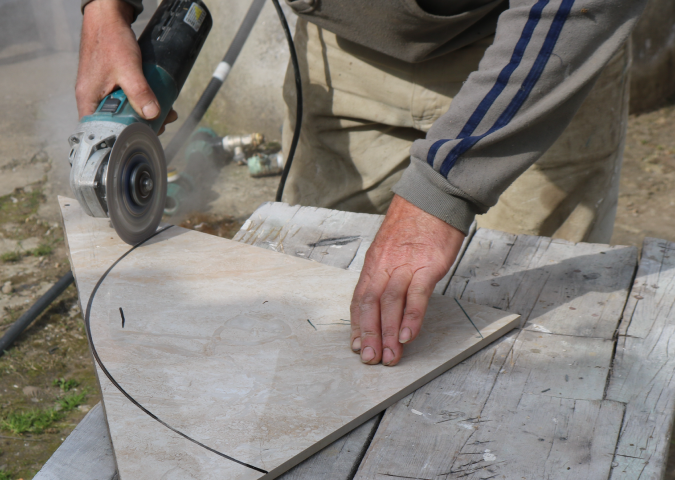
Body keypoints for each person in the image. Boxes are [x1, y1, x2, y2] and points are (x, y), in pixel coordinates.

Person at [75, 0, 647, 366]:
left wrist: (444, 188)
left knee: (528, 351)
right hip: (344, 49)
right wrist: (105, 8)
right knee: (312, 325)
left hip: (537, 57)